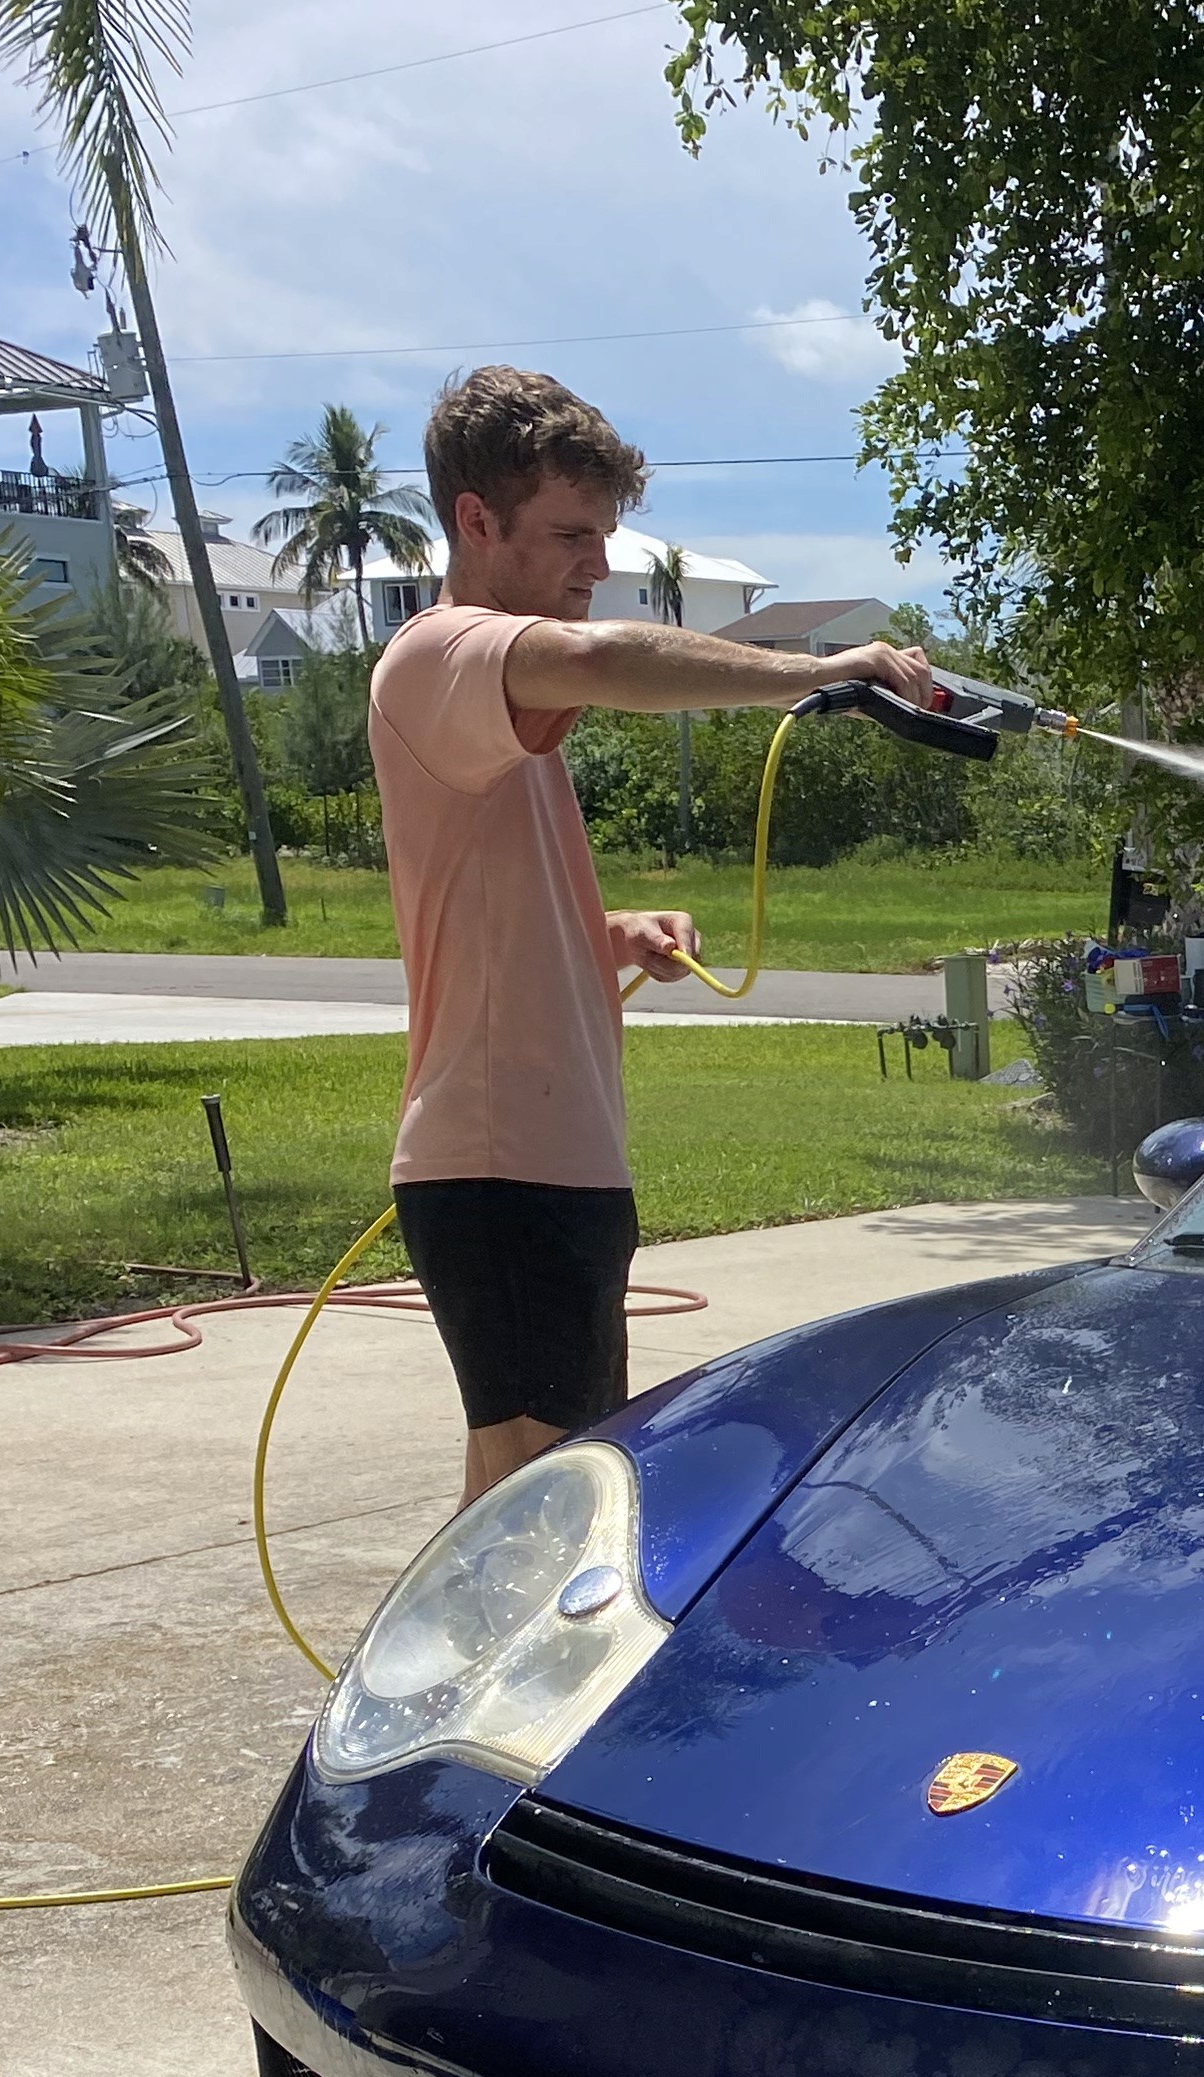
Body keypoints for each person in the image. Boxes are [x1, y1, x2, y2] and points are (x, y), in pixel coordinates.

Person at [370, 365, 931, 1504]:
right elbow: (602, 659)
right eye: (572, 534)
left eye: (605, 535)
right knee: (535, 1508)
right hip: (500, 1167)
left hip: (545, 1164)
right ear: (476, 521)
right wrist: (820, 669)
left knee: (523, 1503)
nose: (598, 564)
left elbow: (486, 901)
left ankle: (447, 1686)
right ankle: (449, 1689)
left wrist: (608, 934)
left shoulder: (491, 703)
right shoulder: (441, 653)